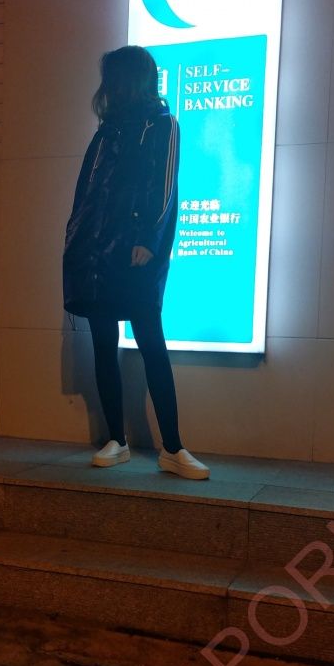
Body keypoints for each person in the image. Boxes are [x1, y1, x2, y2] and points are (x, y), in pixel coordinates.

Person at [63, 45, 210, 480]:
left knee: (151, 344)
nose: (106, 86)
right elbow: (86, 194)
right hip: (93, 251)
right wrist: (75, 239)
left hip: (134, 251)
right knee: (103, 344)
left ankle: (173, 447)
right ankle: (117, 439)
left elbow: (164, 187)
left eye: (112, 77)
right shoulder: (107, 129)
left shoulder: (162, 124)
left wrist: (148, 239)